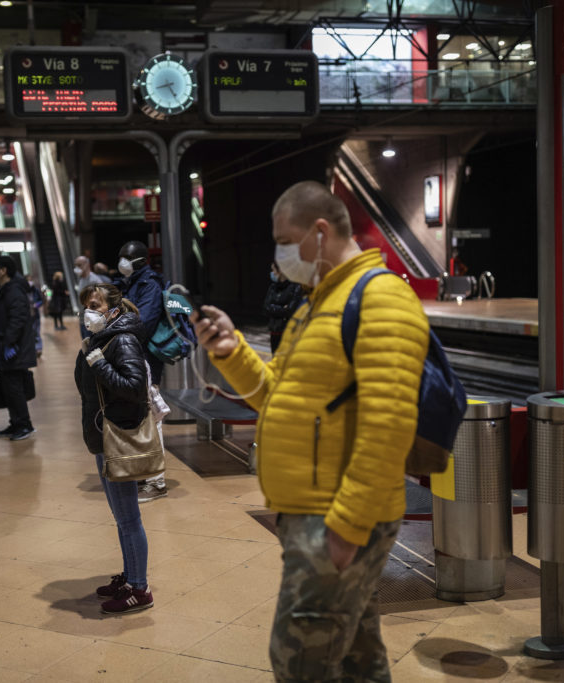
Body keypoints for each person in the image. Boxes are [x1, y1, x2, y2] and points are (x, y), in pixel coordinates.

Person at [192, 180, 430, 682]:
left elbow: (389, 426)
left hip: (337, 518)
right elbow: (276, 393)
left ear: (319, 232)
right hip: (311, 511)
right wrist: (230, 352)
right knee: (357, 660)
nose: (279, 254)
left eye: (285, 239)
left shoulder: (380, 299)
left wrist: (346, 525)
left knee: (300, 659)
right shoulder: (317, 303)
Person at [73, 283, 153, 614]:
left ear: (113, 308)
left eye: (94, 305)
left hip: (116, 434)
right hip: (102, 435)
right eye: (86, 306)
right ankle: (131, 575)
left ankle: (140, 588)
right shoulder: (102, 338)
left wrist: (97, 362)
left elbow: (135, 387)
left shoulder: (121, 339)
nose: (88, 311)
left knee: (129, 518)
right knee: (121, 518)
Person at [114, 240, 168, 503]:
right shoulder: (129, 283)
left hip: (146, 359)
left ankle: (157, 482)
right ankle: (145, 475)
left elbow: (142, 323)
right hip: (132, 357)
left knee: (152, 419)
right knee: (141, 417)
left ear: (140, 260)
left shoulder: (149, 286)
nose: (121, 261)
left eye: (126, 257)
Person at [0, 255, 37, 440]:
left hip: (14, 350)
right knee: (8, 387)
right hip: (4, 348)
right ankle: (16, 423)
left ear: (4, 270)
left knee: (14, 388)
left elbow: (18, 319)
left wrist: (9, 343)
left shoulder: (14, 291)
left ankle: (25, 425)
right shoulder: (4, 290)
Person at [262, 261, 306, 355]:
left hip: (288, 332)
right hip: (274, 331)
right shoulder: (273, 287)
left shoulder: (295, 287)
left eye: (274, 270)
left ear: (281, 271)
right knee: (275, 360)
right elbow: (266, 308)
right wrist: (282, 308)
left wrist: (274, 308)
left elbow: (290, 310)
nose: (272, 273)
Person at [26, 274, 45, 359]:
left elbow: (41, 301)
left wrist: (36, 305)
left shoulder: (36, 290)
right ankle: (32, 349)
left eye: (31, 280)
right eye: (28, 280)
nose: (30, 282)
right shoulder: (23, 291)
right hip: (27, 316)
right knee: (30, 332)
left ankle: (38, 349)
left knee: (36, 332)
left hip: (35, 315)